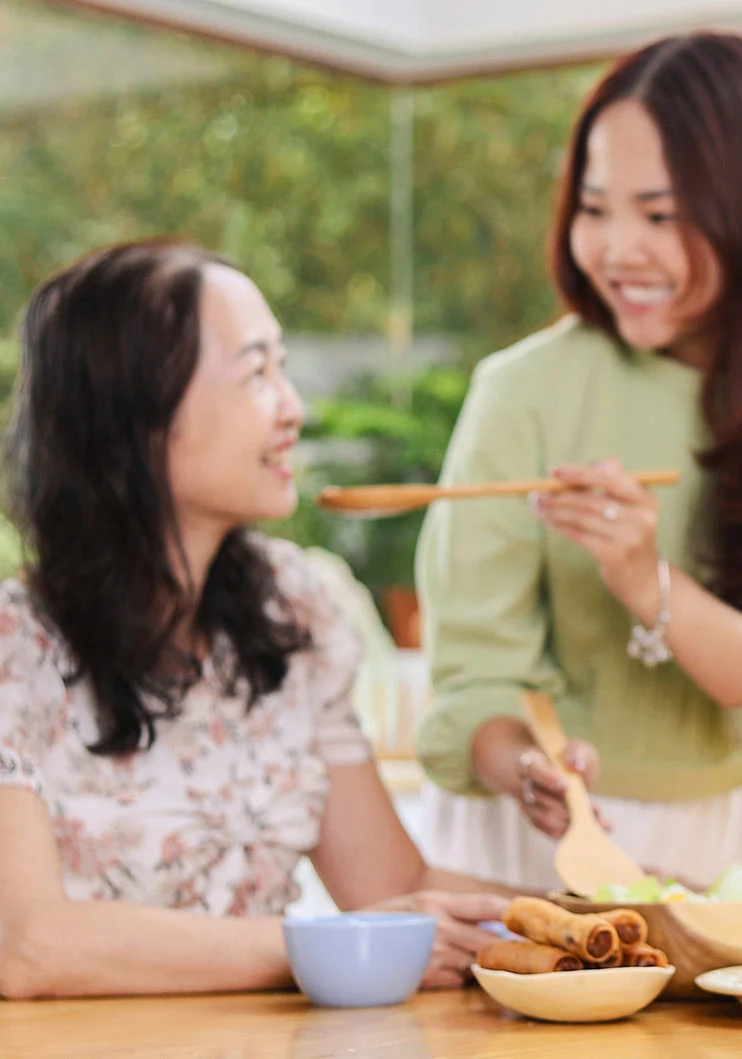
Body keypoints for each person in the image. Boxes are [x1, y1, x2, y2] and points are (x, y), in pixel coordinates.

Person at [415, 31, 742, 889]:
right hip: (532, 845)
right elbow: (473, 684)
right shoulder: (522, 390)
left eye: (661, 215)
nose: (617, 250)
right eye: (594, 209)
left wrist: (649, 583)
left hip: (737, 845)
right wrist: (523, 766)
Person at [0, 242, 519, 1000]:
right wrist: (327, 946)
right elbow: (28, 946)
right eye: (256, 374)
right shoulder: (17, 648)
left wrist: (621, 923)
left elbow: (393, 886)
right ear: (137, 414)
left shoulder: (291, 609)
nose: (293, 407)